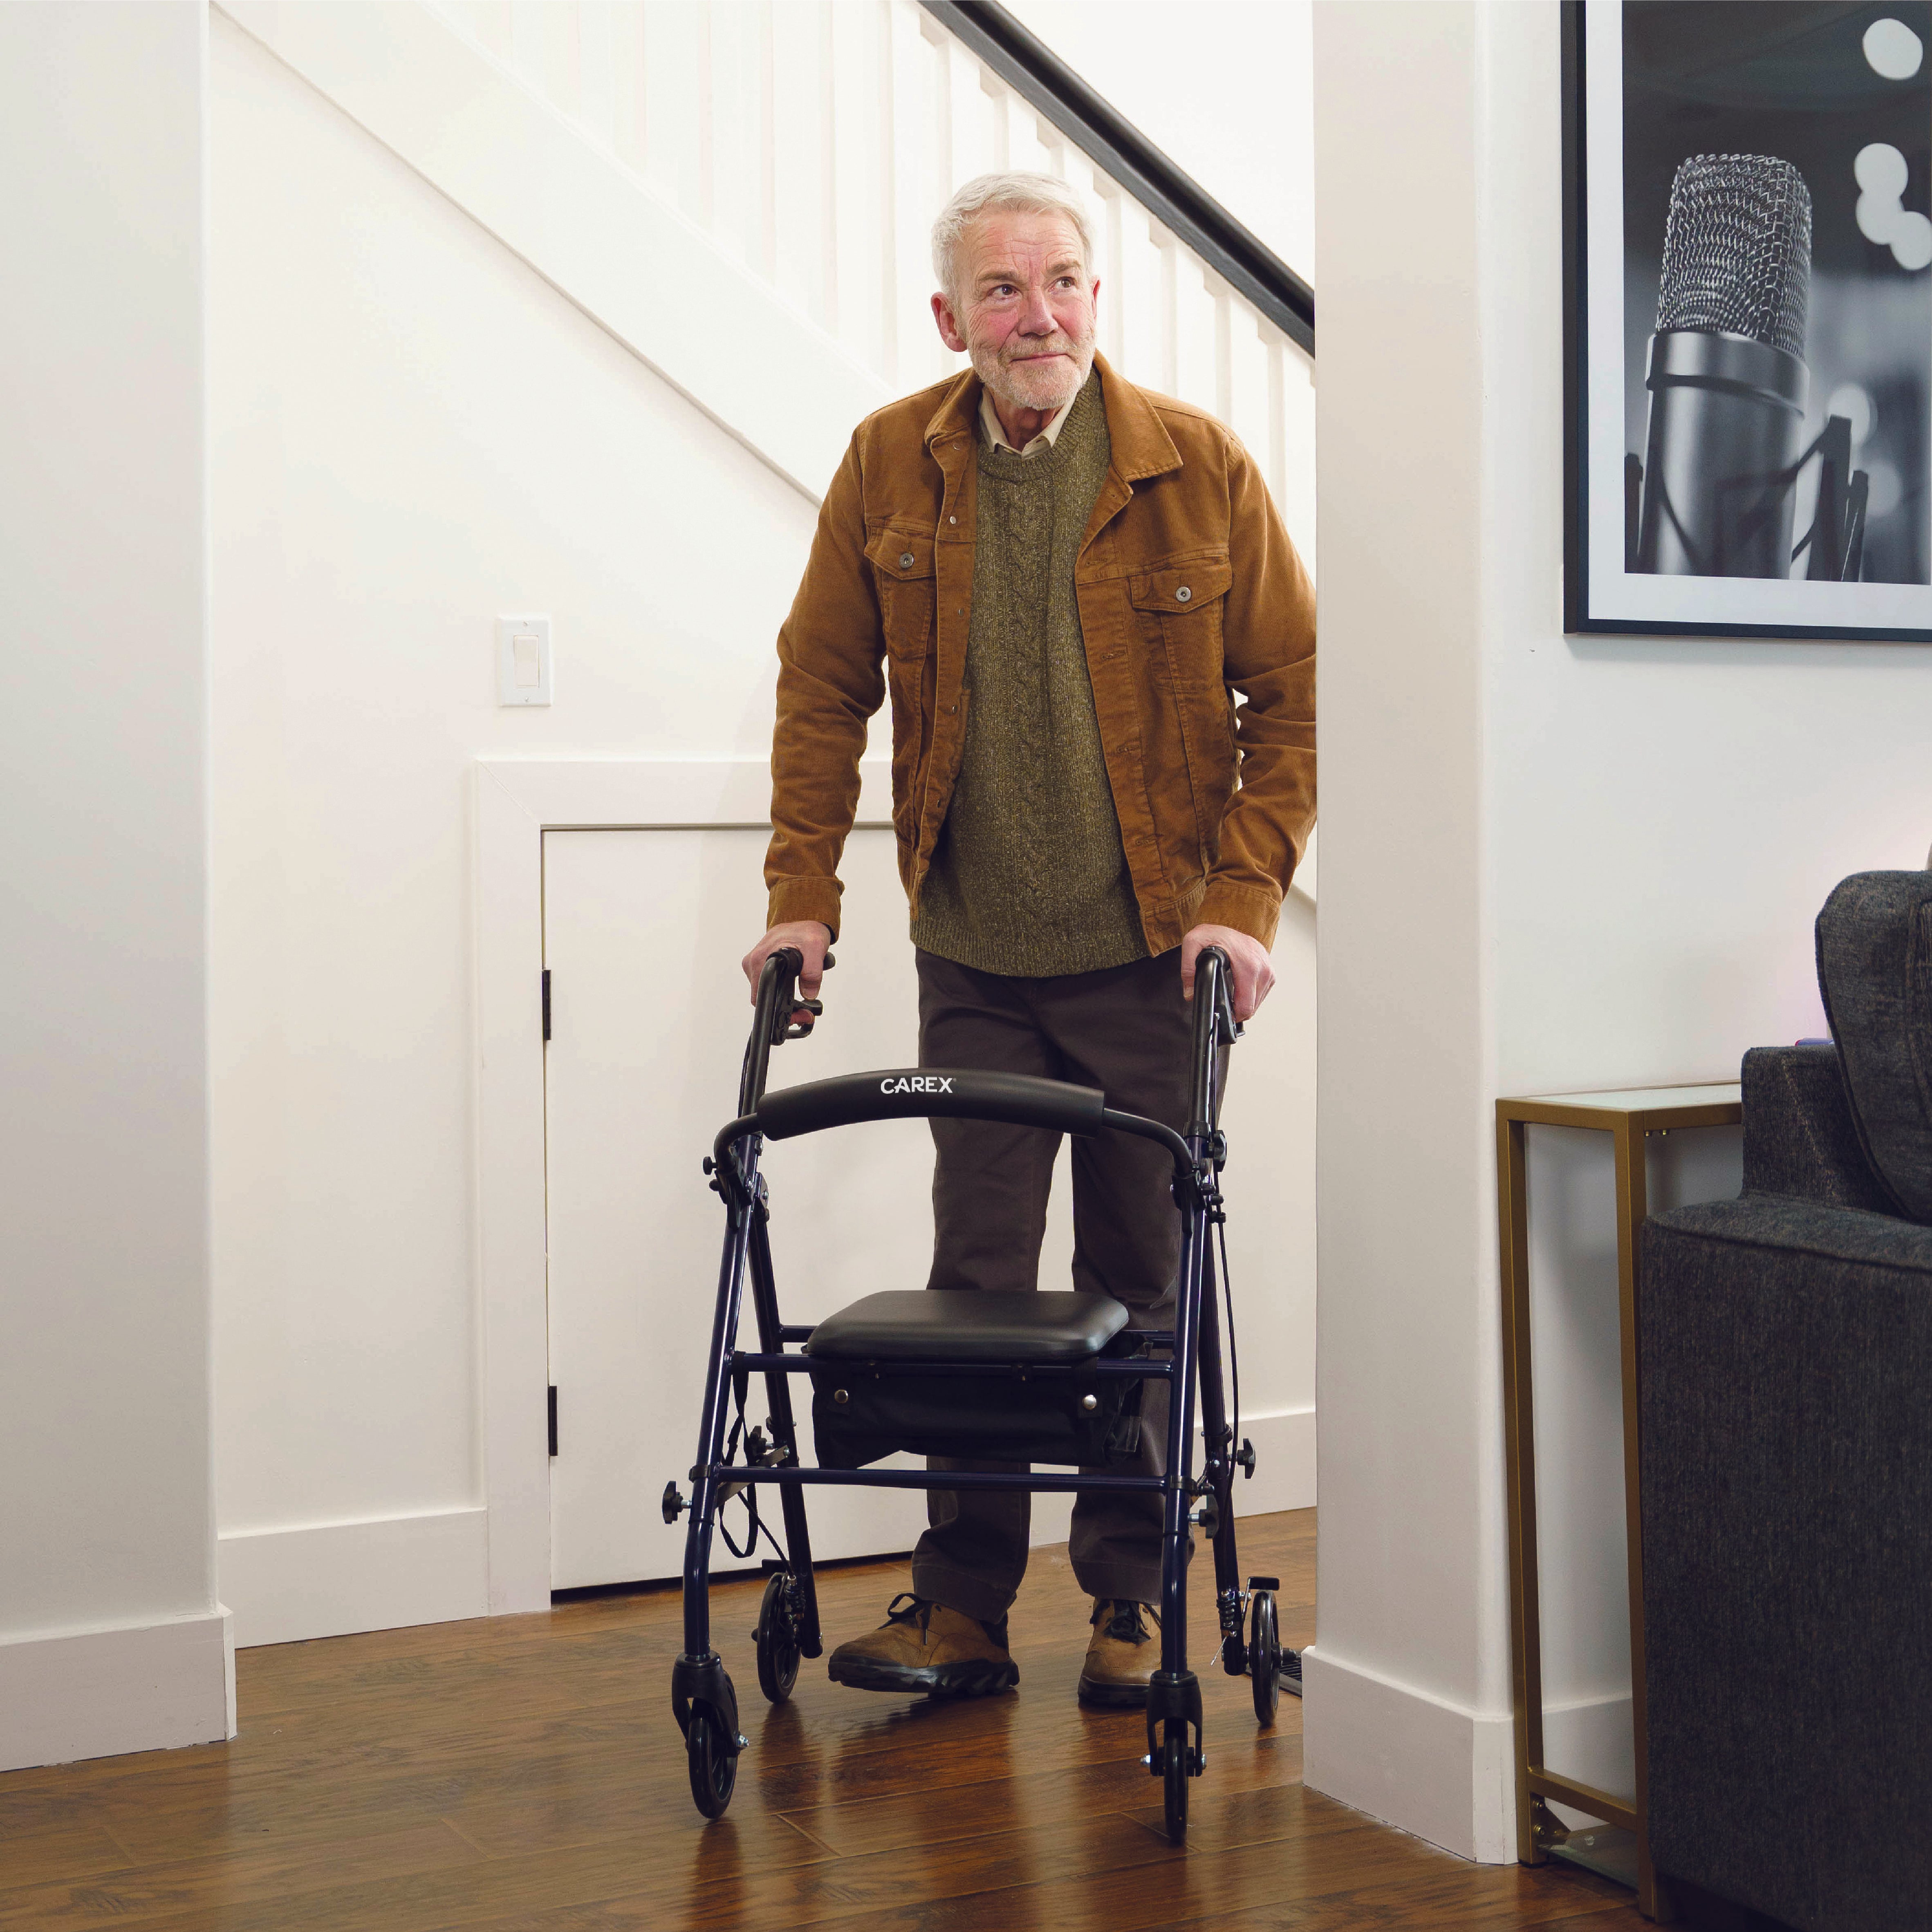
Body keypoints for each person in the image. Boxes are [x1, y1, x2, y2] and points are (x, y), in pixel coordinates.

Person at [742, 171, 1315, 1706]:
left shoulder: (1197, 468)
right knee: (978, 1286)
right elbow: (821, 688)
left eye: (1062, 282)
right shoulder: (889, 463)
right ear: (952, 320)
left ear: (1095, 298)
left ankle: (1132, 1601)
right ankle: (962, 1608)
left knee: (1140, 1275)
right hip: (976, 954)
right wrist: (803, 893)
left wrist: (1242, 902)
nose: (1038, 316)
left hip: (1152, 953)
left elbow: (1298, 696)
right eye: (1002, 291)